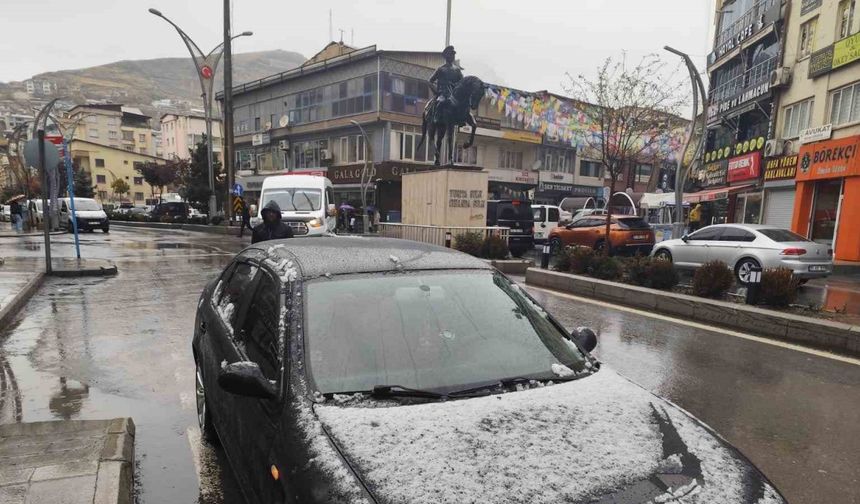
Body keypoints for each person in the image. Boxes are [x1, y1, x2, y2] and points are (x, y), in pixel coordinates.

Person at [428, 45, 464, 122]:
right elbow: (430, 81)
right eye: (451, 54)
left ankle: (461, 119)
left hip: (453, 95)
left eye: (453, 54)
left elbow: (462, 82)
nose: (453, 56)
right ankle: (436, 117)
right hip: (443, 94)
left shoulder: (457, 70)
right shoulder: (441, 69)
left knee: (462, 105)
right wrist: (436, 92)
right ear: (446, 56)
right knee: (441, 102)